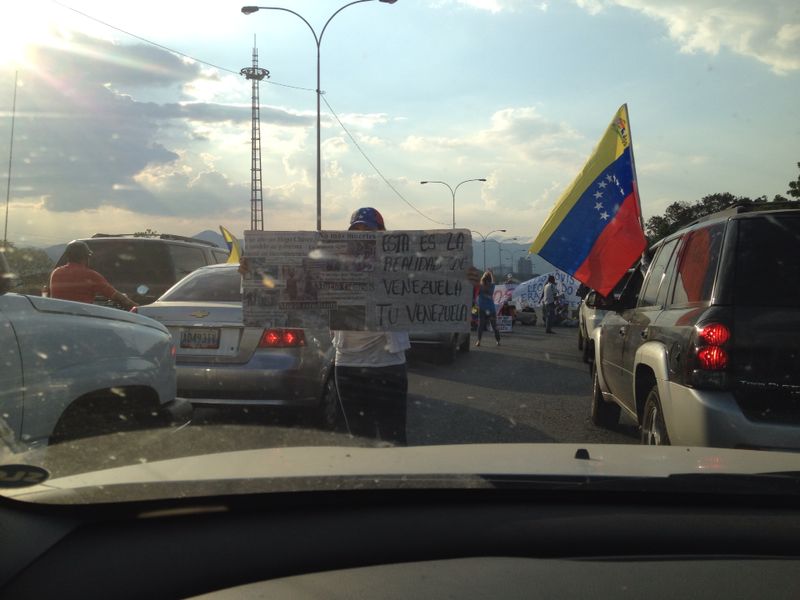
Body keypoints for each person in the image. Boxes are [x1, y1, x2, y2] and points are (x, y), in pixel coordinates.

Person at [332, 207, 410, 445]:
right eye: (357, 229)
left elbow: (437, 284)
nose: (363, 234)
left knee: (393, 437)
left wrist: (466, 279)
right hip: (348, 363)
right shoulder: (334, 265)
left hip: (388, 364)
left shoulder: (400, 265)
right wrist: (252, 275)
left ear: (382, 234)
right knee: (359, 439)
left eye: (368, 229)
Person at [49, 240, 136, 310]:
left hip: (59, 318)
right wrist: (138, 309)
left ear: (68, 257)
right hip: (83, 319)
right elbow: (119, 298)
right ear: (86, 258)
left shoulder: (56, 273)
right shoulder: (91, 276)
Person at [475, 270, 501, 347]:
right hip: (491, 309)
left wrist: (485, 274)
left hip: (482, 309)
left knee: (480, 326)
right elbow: (494, 280)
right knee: (494, 325)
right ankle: (498, 341)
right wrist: (491, 273)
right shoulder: (492, 286)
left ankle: (478, 341)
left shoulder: (480, 287)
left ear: (483, 279)